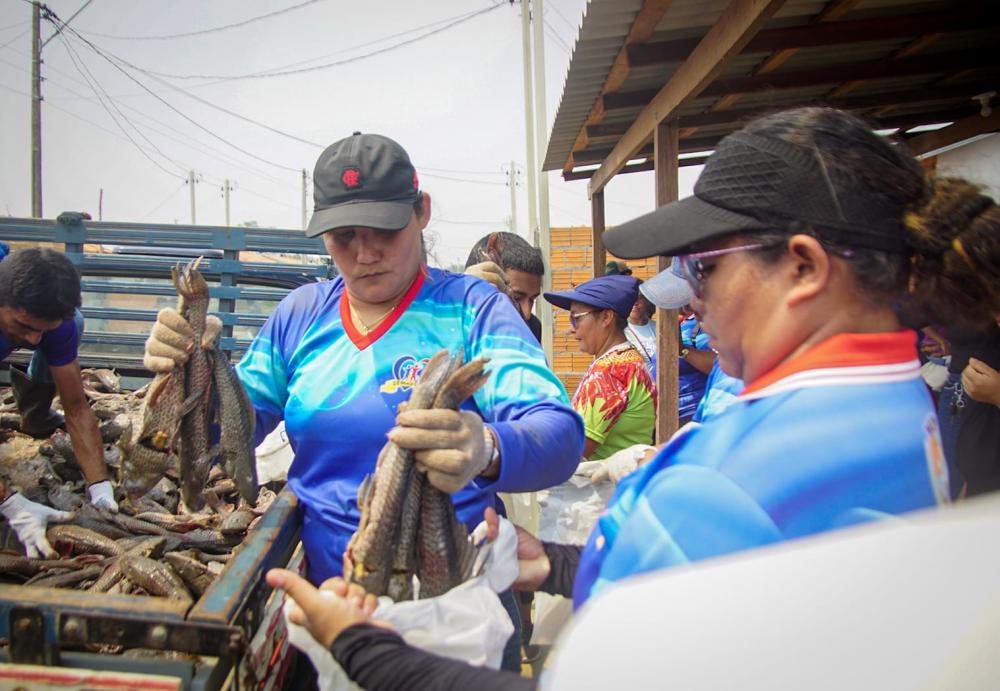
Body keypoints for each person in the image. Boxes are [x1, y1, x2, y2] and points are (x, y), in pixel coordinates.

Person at [266, 107, 1000, 689]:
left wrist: (364, 647)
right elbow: (722, 601)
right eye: (341, 237)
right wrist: (553, 563)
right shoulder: (897, 402)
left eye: (704, 269)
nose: (688, 300)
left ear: (803, 268)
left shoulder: (734, 477)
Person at [144, 132, 583, 671]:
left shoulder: (472, 309)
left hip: (453, 611)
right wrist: (188, 373)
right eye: (343, 235)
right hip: (334, 613)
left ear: (421, 212)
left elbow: (559, 434)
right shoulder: (301, 315)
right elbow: (225, 436)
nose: (365, 252)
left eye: (385, 229)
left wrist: (486, 446)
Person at [0, 247, 117, 559]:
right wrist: (9, 502)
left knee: (70, 326)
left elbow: (76, 408)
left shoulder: (54, 325)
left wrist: (99, 486)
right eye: (24, 326)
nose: (34, 340)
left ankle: (34, 412)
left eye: (43, 329)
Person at [543, 274, 656, 462]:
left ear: (606, 317)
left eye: (576, 318)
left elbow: (572, 451)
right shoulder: (630, 362)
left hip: (602, 486)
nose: (572, 329)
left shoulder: (609, 373)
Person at [464, 232, 545, 343]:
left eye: (532, 300)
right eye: (516, 298)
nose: (527, 314)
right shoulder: (449, 322)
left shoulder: (532, 329)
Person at [624, 290, 656, 373]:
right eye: (630, 299)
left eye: (639, 299)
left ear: (647, 301)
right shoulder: (620, 331)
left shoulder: (659, 328)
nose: (634, 303)